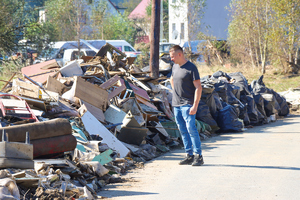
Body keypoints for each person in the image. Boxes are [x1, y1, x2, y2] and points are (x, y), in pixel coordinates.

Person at [169, 45, 204, 166]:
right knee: (182, 130)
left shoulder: (191, 68)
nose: (171, 59)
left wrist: (195, 105)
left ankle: (198, 156)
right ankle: (189, 155)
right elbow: (172, 79)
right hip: (176, 104)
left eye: (173, 56)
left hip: (187, 104)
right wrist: (175, 92)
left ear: (179, 54)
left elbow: (198, 87)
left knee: (191, 129)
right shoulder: (174, 67)